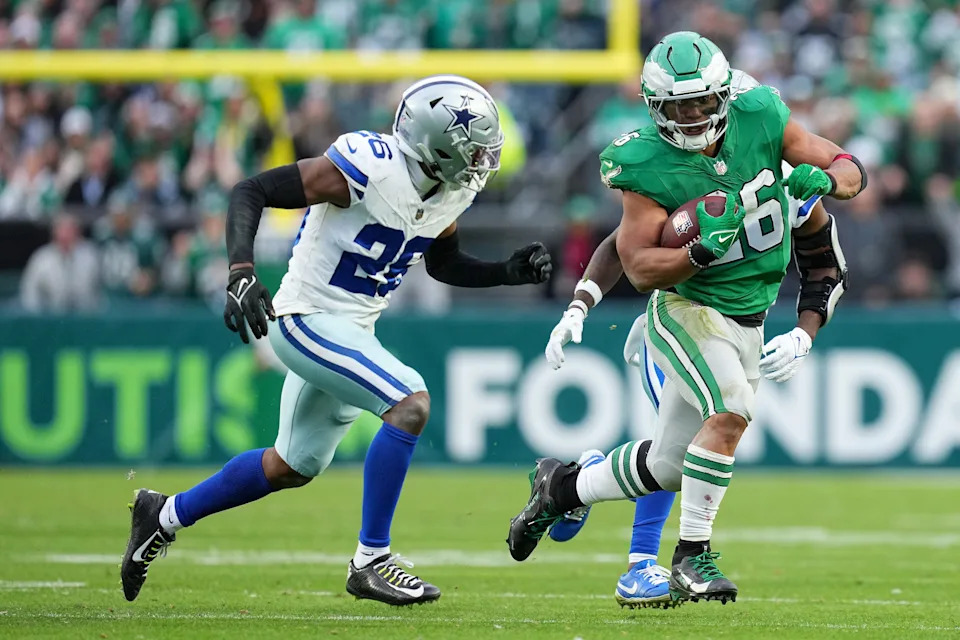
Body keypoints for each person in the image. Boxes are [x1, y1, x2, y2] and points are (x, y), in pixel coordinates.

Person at [121, 75, 553, 606]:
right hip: (305, 318)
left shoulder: (452, 188)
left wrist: (506, 273)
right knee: (410, 403)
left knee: (290, 466)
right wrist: (239, 271)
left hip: (352, 329)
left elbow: (442, 262)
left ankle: (161, 515)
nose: (482, 162)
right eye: (472, 150)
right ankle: (371, 560)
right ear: (433, 145)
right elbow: (250, 190)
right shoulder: (367, 166)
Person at [507, 32, 863, 605]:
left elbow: (845, 176)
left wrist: (804, 330)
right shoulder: (644, 160)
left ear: (725, 96)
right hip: (686, 307)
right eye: (676, 105)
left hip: (750, 319)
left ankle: (562, 487)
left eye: (700, 101)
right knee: (731, 411)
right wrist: (693, 253)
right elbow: (640, 263)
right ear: (654, 107)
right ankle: (688, 559)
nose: (691, 115)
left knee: (670, 464)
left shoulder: (766, 121)